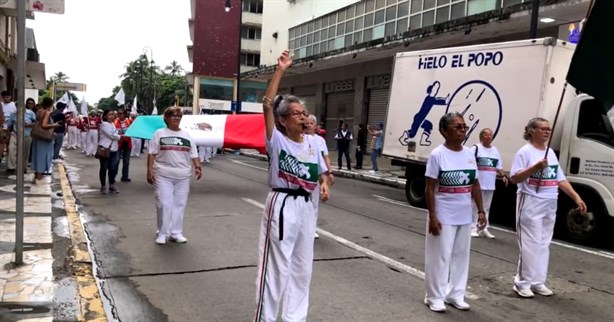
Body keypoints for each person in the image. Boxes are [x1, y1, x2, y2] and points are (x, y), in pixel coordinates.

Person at [254, 50, 330, 322]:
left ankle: (295, 318)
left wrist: (323, 183)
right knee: (276, 266)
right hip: (282, 204)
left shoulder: (312, 143)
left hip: (306, 206)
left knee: (302, 266)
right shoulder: (277, 140)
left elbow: (320, 170)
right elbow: (266, 105)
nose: (303, 117)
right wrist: (280, 71)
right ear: (284, 120)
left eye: (304, 113)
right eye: (296, 113)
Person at [510, 117, 587, 298]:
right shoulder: (525, 152)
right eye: (542, 128)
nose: (547, 131)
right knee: (531, 243)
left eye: (548, 129)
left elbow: (559, 178)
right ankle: (522, 283)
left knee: (544, 243)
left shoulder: (550, 153)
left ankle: (537, 281)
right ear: (531, 131)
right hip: (530, 201)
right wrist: (536, 167)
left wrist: (576, 197)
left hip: (550, 200)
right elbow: (515, 178)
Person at [424, 112, 486, 313]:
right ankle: (434, 296)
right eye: (457, 127)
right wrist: (433, 217)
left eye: (464, 127)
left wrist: (481, 211)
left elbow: (474, 184)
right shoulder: (438, 154)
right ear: (444, 131)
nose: (462, 130)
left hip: (464, 213)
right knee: (440, 256)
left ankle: (456, 294)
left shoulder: (469, 154)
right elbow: (430, 188)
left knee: (461, 255)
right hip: (443, 213)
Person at [147, 106, 201, 245]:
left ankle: (176, 232)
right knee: (164, 204)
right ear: (166, 118)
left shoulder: (186, 135)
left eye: (178, 115)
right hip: (163, 174)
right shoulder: (159, 133)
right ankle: (163, 233)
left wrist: (197, 166)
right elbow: (152, 153)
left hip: (183, 175)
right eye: (173, 115)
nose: (176, 118)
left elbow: (193, 153)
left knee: (179, 204)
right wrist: (149, 170)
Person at [470, 128, 508, 238]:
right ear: (482, 136)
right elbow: (468, 163)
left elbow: (498, 167)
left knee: (486, 207)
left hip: (490, 184)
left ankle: (483, 227)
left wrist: (503, 175)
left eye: (491, 135)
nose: (489, 137)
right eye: (487, 135)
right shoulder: (475, 148)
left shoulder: (495, 151)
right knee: (475, 206)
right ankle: (472, 227)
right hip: (478, 183)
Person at [306, 114, 334, 239]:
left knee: (314, 203)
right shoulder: (300, 138)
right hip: (302, 174)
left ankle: (312, 229)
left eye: (311, 123)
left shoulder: (320, 140)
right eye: (307, 123)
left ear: (316, 126)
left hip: (316, 174)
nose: (308, 125)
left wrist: (330, 172)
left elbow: (325, 157)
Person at [32, 97, 61, 184]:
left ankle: (36, 176)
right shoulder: (47, 112)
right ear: (51, 105)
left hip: (37, 136)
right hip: (44, 139)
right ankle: (39, 178)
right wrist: (54, 125)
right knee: (43, 157)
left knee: (37, 156)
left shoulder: (39, 111)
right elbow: (44, 125)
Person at [6, 98, 36, 173]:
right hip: (15, 134)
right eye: (17, 106)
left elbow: (37, 123)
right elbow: (9, 126)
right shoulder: (13, 115)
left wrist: (29, 125)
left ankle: (23, 167)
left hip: (26, 134)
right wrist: (7, 136)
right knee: (11, 149)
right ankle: (11, 167)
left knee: (25, 152)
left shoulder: (31, 113)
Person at [98, 110, 121, 194]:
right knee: (104, 168)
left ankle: (112, 185)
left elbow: (115, 134)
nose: (111, 116)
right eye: (109, 114)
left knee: (112, 168)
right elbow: (111, 135)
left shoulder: (113, 124)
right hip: (105, 149)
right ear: (105, 116)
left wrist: (117, 135)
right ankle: (103, 186)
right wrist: (120, 136)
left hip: (114, 149)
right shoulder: (104, 124)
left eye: (112, 114)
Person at [114, 108, 133, 182]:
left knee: (126, 161)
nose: (119, 115)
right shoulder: (115, 122)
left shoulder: (129, 121)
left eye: (120, 113)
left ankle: (125, 176)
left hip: (127, 144)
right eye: (118, 113)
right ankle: (113, 176)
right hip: (118, 144)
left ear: (125, 114)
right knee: (116, 160)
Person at [1, 91, 16, 162]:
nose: (6, 99)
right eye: (4, 97)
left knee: (9, 144)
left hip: (11, 127)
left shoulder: (14, 105)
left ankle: (9, 159)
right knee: (2, 142)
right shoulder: (1, 105)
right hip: (2, 127)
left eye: (7, 97)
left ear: (10, 97)